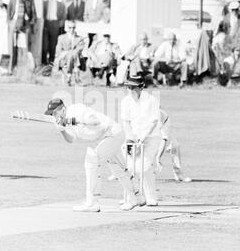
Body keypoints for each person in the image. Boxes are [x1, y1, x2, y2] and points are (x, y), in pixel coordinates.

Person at [44, 98, 139, 212]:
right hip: (108, 137)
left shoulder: (76, 109)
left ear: (63, 109)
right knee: (118, 168)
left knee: (91, 161)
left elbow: (95, 122)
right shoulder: (65, 121)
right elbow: (71, 139)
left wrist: (70, 121)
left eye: (55, 113)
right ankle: (136, 198)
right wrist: (62, 130)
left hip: (113, 133)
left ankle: (92, 203)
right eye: (52, 114)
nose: (54, 116)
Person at [121, 75, 161, 206]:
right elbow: (126, 122)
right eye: (128, 87)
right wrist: (130, 139)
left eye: (132, 88)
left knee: (143, 167)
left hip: (151, 138)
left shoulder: (151, 100)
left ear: (141, 87)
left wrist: (141, 139)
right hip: (133, 138)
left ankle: (151, 197)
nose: (130, 90)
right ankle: (132, 197)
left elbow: (153, 122)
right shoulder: (126, 101)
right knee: (129, 167)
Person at [7, 0, 37, 75]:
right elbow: (9, 14)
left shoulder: (29, 0)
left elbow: (34, 15)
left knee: (26, 48)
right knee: (13, 48)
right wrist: (10, 23)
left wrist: (30, 23)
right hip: (14, 24)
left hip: (25, 25)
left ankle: (26, 70)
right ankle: (11, 69)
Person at [155, 109, 191, 182]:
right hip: (145, 134)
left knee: (174, 146)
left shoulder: (163, 117)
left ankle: (179, 175)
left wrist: (158, 158)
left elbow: (164, 140)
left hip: (159, 134)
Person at [54, 20, 86, 86]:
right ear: (66, 28)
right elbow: (58, 50)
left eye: (73, 27)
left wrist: (70, 53)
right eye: (70, 27)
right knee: (71, 54)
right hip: (64, 58)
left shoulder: (79, 38)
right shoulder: (61, 37)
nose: (72, 29)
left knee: (72, 54)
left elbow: (80, 48)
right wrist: (67, 53)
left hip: (76, 57)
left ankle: (69, 76)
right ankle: (76, 74)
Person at [42, 0, 66, 65]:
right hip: (46, 23)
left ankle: (51, 60)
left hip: (55, 24)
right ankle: (44, 61)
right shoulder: (45, 3)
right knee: (45, 44)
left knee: (53, 44)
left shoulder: (60, 4)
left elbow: (63, 15)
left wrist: (59, 25)